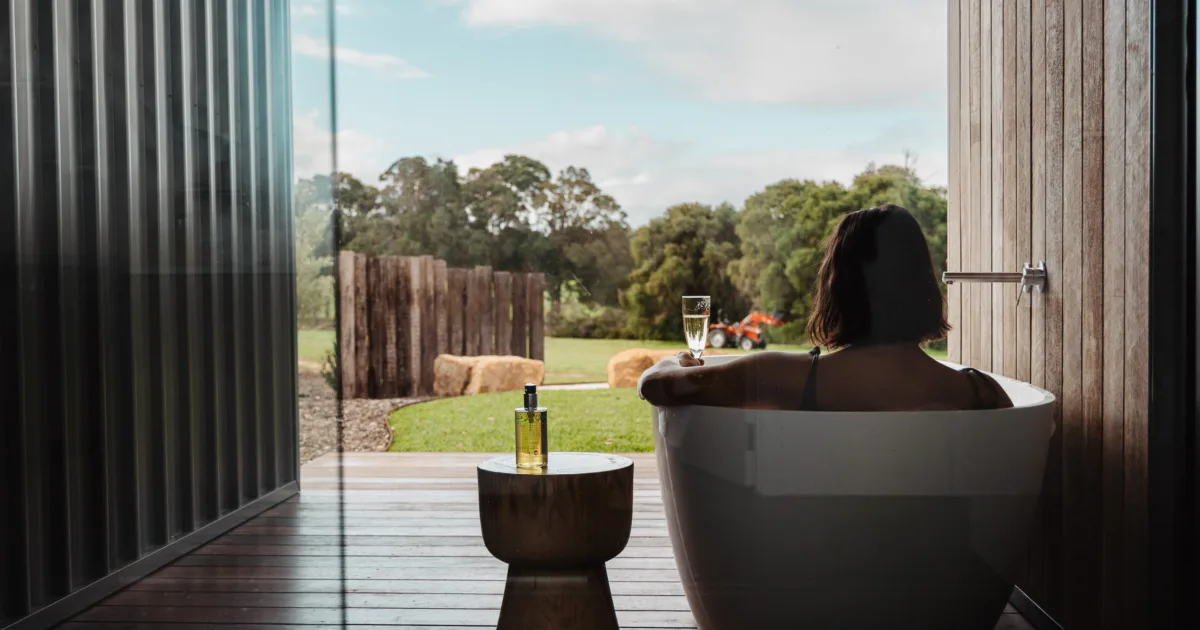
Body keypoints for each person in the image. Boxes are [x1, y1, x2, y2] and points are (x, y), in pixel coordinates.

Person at [638, 204, 1013, 411]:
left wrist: (678, 360)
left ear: (836, 287)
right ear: (923, 284)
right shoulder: (981, 392)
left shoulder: (778, 375)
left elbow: (657, 387)